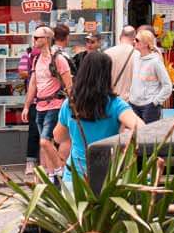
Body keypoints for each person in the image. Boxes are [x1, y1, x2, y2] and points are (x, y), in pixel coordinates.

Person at [46, 45, 142, 178]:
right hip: (108, 176)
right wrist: (124, 139)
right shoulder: (115, 104)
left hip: (75, 177)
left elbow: (58, 137)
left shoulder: (70, 103)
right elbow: (141, 128)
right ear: (107, 75)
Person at [22, 25, 71, 178]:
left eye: (37, 37)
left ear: (47, 39)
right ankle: (50, 174)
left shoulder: (59, 59)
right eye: (34, 37)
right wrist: (26, 106)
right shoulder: (36, 58)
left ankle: (58, 170)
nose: (34, 40)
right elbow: (33, 84)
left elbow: (69, 85)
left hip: (55, 104)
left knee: (45, 141)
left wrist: (72, 106)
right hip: (40, 105)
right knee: (44, 144)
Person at [122, 28, 173, 125]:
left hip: (149, 107)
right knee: (135, 137)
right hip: (133, 104)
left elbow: (167, 85)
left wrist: (155, 102)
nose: (134, 41)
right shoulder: (135, 57)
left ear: (146, 44)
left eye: (137, 40)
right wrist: (130, 97)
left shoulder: (155, 61)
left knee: (149, 138)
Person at [104, 24, 137, 90]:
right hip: (130, 98)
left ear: (120, 37)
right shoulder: (138, 55)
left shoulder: (107, 53)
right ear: (134, 39)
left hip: (112, 97)